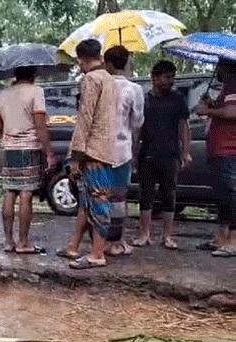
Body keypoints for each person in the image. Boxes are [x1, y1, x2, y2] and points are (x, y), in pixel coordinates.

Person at [56, 39, 117, 269]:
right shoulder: (109, 79)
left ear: (81, 59)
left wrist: (76, 155)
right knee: (86, 202)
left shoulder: (91, 79)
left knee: (98, 201)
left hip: (93, 151)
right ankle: (74, 246)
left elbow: (85, 119)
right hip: (105, 147)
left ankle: (97, 253)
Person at [0, 66, 55, 254]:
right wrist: (49, 152)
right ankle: (23, 243)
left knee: (9, 192)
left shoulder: (1, 96)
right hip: (29, 148)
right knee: (26, 194)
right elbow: (40, 125)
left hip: (9, 149)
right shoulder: (36, 92)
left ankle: (9, 241)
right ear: (33, 75)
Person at [132, 60, 191, 250]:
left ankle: (167, 236)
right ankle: (144, 234)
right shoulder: (145, 99)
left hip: (170, 154)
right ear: (154, 78)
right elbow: (137, 128)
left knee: (169, 194)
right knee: (146, 194)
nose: (170, 81)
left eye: (172, 77)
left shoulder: (178, 99)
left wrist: (186, 152)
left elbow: (184, 127)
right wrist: (133, 153)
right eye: (167, 77)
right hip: (148, 153)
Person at [103, 46, 145, 257]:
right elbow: (137, 122)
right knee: (119, 198)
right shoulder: (134, 89)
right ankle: (116, 242)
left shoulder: (99, 86)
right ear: (126, 62)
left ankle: (100, 241)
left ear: (108, 64)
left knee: (99, 196)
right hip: (121, 151)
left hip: (99, 150)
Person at [195, 59, 236, 257]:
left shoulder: (234, 85)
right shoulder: (226, 88)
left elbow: (232, 112)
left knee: (231, 194)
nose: (216, 69)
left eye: (219, 65)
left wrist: (208, 111)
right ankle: (221, 237)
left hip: (229, 148)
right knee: (222, 196)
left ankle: (233, 240)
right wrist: (212, 104)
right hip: (218, 149)